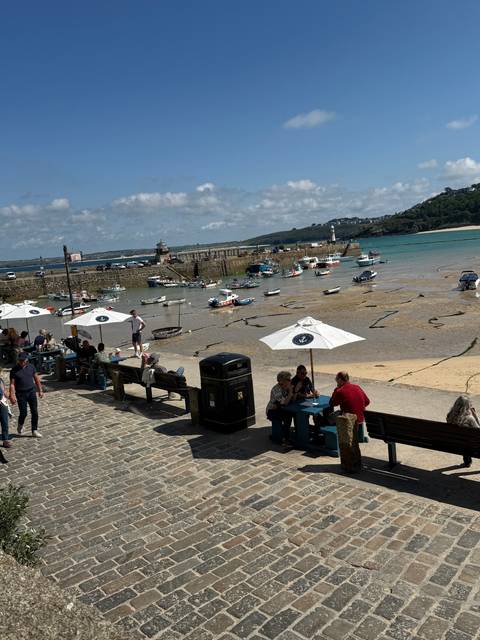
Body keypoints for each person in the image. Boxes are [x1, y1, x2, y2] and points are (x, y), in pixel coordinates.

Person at [9, 352, 44, 438]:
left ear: (26, 360)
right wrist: (12, 395)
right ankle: (20, 425)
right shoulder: (14, 370)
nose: (21, 362)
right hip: (21, 394)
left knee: (35, 412)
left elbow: (36, 379)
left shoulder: (31, 367)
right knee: (23, 413)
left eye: (23, 360)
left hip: (31, 392)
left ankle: (34, 430)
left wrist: (40, 390)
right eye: (20, 360)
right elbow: (12, 384)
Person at [446, 395, 480, 467]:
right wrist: (476, 416)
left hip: (456, 443)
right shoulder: (469, 419)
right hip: (472, 446)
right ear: (467, 406)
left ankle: (467, 462)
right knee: (469, 440)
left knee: (465, 440)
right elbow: (478, 430)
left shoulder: (449, 416)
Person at [266, 370, 294, 447]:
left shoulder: (285, 387)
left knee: (290, 414)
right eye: (288, 379)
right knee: (287, 417)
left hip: (280, 408)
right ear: (283, 381)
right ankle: (285, 439)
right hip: (272, 411)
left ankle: (286, 435)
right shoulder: (276, 389)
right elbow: (284, 402)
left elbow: (290, 401)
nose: (290, 381)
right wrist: (291, 392)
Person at [0, 373, 12, 448]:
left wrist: (10, 397)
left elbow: (4, 391)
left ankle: (5, 440)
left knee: (4, 422)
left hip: (2, 403)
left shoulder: (0, 380)